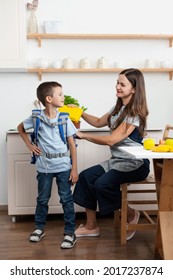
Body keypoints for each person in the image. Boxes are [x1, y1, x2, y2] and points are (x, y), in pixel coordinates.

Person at [73, 68, 150, 241]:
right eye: (117, 82)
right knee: (86, 177)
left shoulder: (134, 113)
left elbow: (111, 140)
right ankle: (91, 227)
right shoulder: (118, 108)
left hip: (135, 163)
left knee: (102, 184)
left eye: (122, 84)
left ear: (134, 89)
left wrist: (84, 136)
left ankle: (130, 214)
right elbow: (99, 122)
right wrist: (79, 112)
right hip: (117, 161)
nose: (118, 86)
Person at [17, 81, 78, 249]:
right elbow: (20, 128)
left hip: (64, 167)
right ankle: (39, 228)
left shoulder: (65, 118)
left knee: (66, 199)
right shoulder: (36, 117)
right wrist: (29, 146)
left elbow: (72, 144)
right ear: (49, 98)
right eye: (60, 94)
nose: (63, 96)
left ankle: (70, 232)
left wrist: (74, 169)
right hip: (44, 167)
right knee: (42, 199)